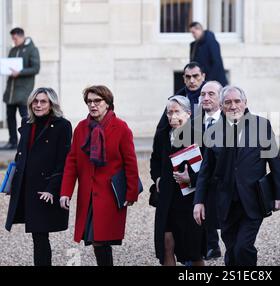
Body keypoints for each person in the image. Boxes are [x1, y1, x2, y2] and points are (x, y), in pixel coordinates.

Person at [193, 86, 280, 266]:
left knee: (243, 247)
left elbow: (274, 161)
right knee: (231, 250)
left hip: (253, 199)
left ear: (245, 103)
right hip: (225, 202)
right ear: (221, 106)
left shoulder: (261, 125)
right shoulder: (212, 132)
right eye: (228, 102)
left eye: (237, 101)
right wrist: (199, 201)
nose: (233, 106)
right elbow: (205, 170)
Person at [60, 85, 139, 266]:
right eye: (89, 101)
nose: (93, 105)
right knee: (97, 240)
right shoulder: (81, 128)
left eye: (97, 101)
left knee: (101, 239)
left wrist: (131, 192)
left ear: (108, 103)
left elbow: (130, 163)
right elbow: (72, 161)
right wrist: (66, 192)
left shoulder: (121, 128)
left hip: (110, 194)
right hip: (88, 194)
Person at [5, 87, 72, 266]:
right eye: (35, 101)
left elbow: (63, 161)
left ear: (51, 104)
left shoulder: (62, 126)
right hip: (27, 187)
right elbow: (21, 156)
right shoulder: (27, 122)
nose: (38, 105)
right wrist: (13, 184)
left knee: (41, 234)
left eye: (43, 101)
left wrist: (52, 189)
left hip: (46, 189)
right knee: (37, 235)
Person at [151, 95, 206, 266]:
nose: (172, 116)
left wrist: (192, 178)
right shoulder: (162, 135)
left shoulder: (199, 135)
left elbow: (208, 167)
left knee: (193, 251)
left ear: (188, 114)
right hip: (167, 198)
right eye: (169, 112)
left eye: (176, 112)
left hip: (189, 199)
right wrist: (157, 177)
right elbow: (155, 160)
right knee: (167, 243)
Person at [1, 27, 40, 150]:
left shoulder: (32, 50)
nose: (14, 41)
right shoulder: (13, 50)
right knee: (10, 117)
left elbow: (35, 68)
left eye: (15, 38)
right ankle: (13, 142)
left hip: (24, 91)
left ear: (21, 36)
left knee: (26, 117)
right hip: (11, 92)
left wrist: (20, 72)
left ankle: (27, 141)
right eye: (12, 39)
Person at [197, 81, 223, 260]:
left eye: (211, 94)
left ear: (221, 98)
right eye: (203, 94)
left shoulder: (230, 122)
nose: (206, 98)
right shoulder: (193, 123)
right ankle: (211, 246)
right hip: (199, 178)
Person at [156, 62, 206, 131]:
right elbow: (162, 128)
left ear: (203, 77)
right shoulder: (177, 99)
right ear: (184, 79)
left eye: (195, 76)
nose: (191, 81)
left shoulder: (214, 97)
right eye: (188, 77)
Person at [189, 22, 228, 86]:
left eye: (193, 32)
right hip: (201, 80)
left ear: (199, 29)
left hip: (214, 81)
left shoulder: (211, 42)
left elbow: (216, 62)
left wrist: (208, 80)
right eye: (191, 33)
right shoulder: (194, 45)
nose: (193, 35)